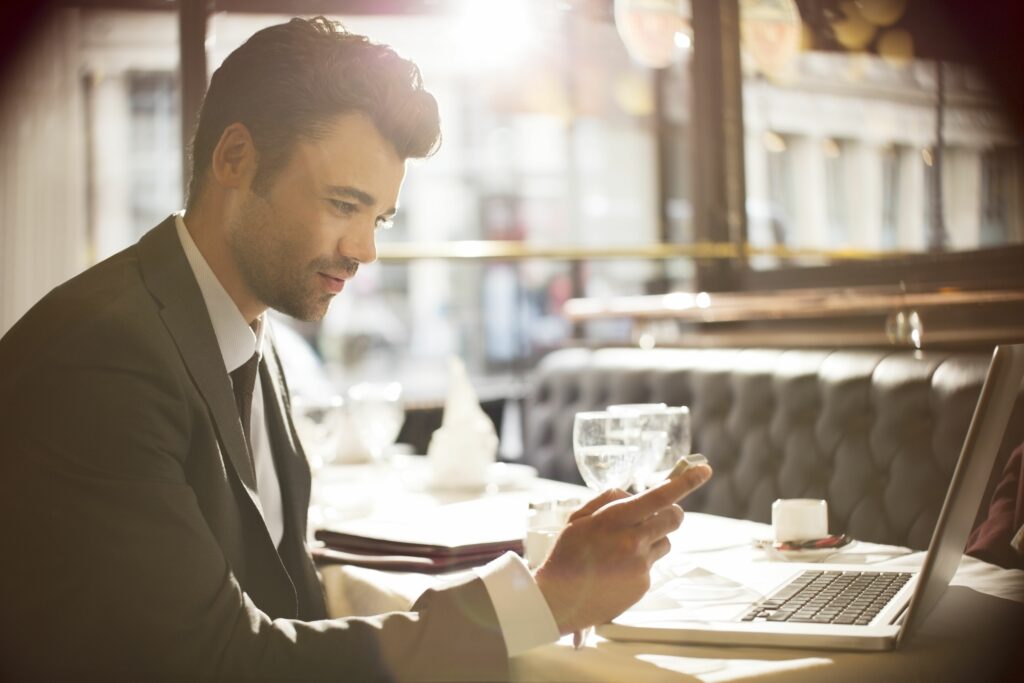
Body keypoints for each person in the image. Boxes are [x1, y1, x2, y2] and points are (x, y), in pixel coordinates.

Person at [0, 17, 712, 682]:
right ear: (236, 159)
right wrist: (545, 599)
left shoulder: (245, 328)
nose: (365, 250)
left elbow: (285, 604)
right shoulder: (103, 361)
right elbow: (218, 658)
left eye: (379, 217)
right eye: (343, 205)